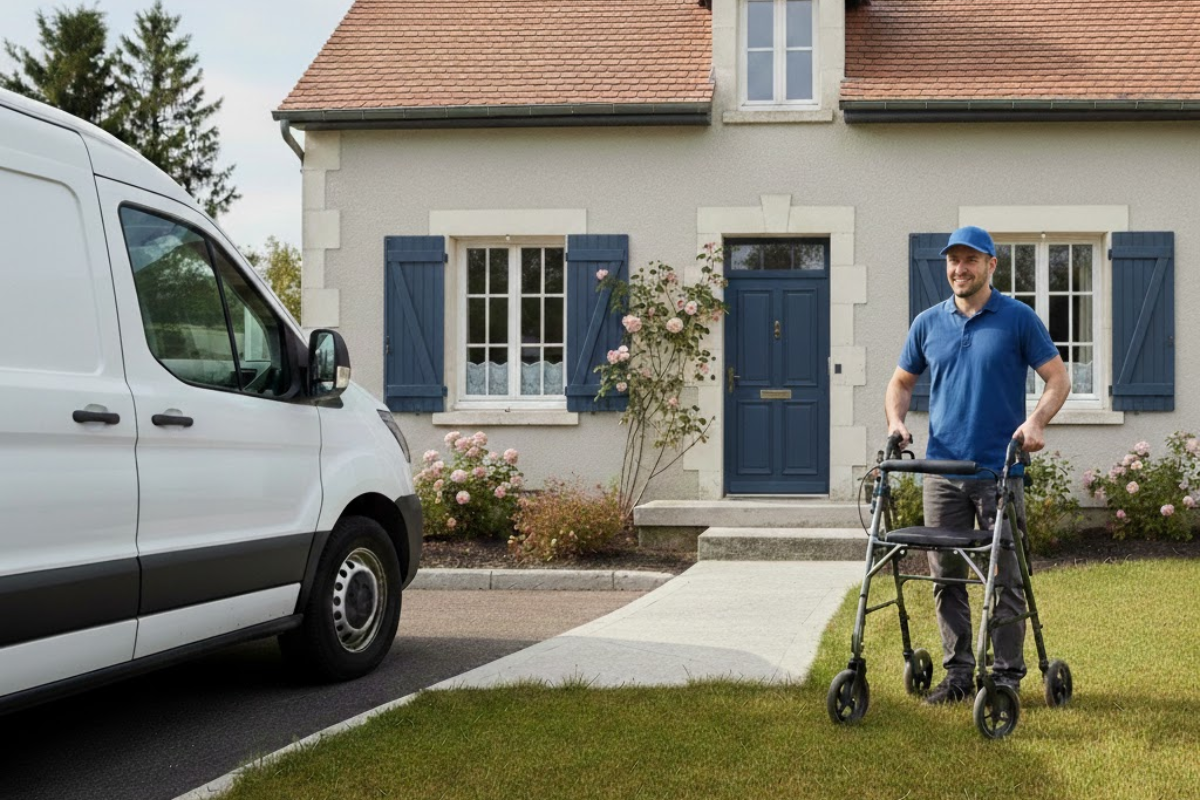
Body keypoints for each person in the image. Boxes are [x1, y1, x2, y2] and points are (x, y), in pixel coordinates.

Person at [885, 225, 1070, 704]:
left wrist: (1035, 423)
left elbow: (1057, 380)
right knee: (945, 577)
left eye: (970, 260)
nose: (959, 269)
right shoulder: (928, 322)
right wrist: (897, 422)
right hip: (942, 474)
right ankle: (959, 674)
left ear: (992, 265)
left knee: (1004, 575)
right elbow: (901, 383)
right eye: (953, 260)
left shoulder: (1017, 319)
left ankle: (1006, 675)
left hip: (997, 473)